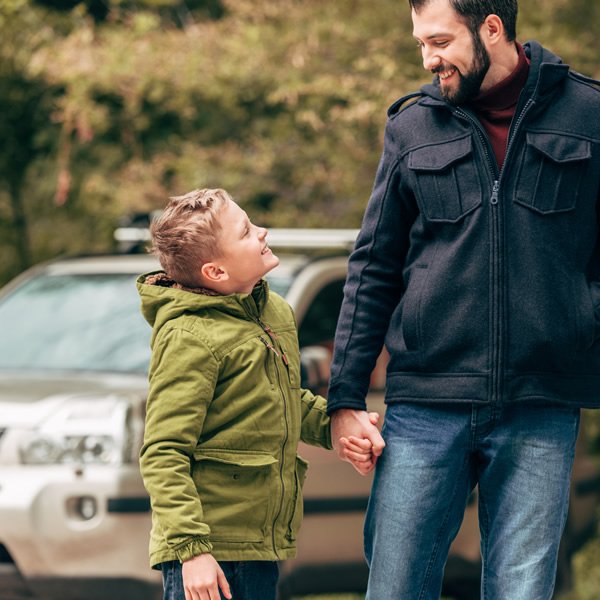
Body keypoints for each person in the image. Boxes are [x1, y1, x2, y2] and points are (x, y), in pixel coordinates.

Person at [326, 0, 600, 598]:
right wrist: (343, 397)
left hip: (542, 402)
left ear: (492, 29)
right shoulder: (412, 127)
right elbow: (373, 267)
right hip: (424, 404)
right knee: (395, 587)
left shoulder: (590, 114)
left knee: (522, 592)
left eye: (441, 41)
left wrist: (579, 322)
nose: (429, 59)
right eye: (422, 44)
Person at [136, 188, 376, 600]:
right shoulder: (187, 336)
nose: (262, 232)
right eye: (246, 232)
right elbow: (163, 452)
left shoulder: (273, 311)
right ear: (216, 272)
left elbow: (281, 400)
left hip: (260, 541)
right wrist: (191, 552)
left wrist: (336, 425)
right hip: (210, 552)